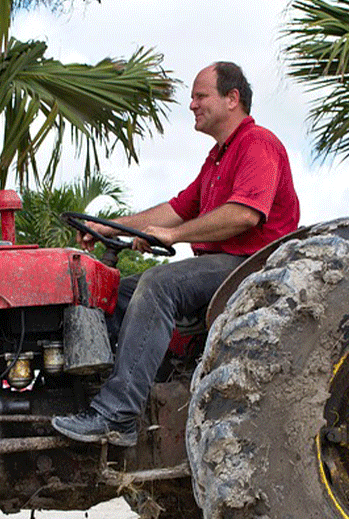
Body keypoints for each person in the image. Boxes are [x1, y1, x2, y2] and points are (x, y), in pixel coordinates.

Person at [52, 61, 300, 447]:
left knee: (158, 285)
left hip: (251, 268)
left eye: (201, 96)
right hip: (221, 267)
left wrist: (174, 234)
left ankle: (118, 415)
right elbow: (176, 208)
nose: (192, 105)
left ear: (231, 99)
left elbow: (244, 214)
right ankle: (94, 391)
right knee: (117, 291)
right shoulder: (216, 159)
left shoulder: (258, 144)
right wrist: (109, 226)